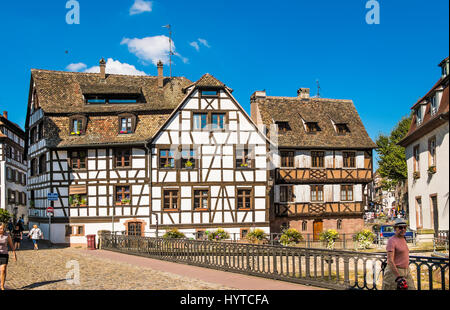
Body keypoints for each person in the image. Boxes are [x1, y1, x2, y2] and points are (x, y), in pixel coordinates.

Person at [382, 218, 416, 290]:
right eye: (400, 227)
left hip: (406, 271)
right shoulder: (392, 241)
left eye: (405, 227)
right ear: (395, 228)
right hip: (394, 272)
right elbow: (390, 260)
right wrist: (398, 276)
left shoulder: (403, 239)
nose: (403, 229)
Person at [0, 222, 17, 290]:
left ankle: (2, 286)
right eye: (1, 228)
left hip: (4, 254)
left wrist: (14, 254)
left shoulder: (7, 235)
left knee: (3, 269)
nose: (2, 230)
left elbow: (11, 245)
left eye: (3, 228)